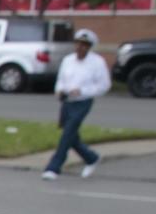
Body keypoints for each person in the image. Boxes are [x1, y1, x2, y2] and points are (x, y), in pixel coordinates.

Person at [44, 28, 108, 181]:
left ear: (89, 47)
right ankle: (91, 158)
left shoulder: (97, 62)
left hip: (83, 102)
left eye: (84, 45)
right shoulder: (68, 60)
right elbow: (61, 80)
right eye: (78, 44)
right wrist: (59, 90)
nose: (80, 48)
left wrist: (83, 91)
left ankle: (54, 167)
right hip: (67, 101)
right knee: (70, 135)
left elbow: (104, 85)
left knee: (68, 133)